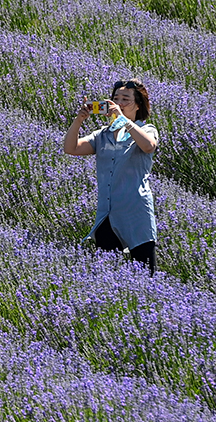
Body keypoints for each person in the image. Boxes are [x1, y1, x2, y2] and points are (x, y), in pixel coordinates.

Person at [63, 78, 159, 275]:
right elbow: (70, 148)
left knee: (146, 273)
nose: (119, 103)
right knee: (106, 275)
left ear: (138, 105)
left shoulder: (147, 129)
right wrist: (79, 119)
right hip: (108, 214)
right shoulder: (103, 135)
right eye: (116, 99)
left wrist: (124, 121)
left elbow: (148, 145)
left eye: (126, 99)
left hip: (135, 212)